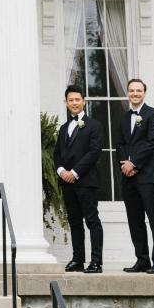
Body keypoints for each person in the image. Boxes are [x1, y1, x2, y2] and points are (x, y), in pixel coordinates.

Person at [117, 78, 154, 274]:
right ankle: (142, 259)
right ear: (128, 93)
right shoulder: (123, 117)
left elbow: (152, 142)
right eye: (132, 90)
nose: (135, 94)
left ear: (144, 93)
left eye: (139, 90)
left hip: (147, 176)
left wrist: (134, 163)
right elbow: (119, 144)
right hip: (127, 177)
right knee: (135, 220)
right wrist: (124, 165)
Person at [53, 85, 103, 273]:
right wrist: (61, 171)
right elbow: (57, 153)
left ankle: (96, 261)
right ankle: (78, 259)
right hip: (67, 182)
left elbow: (94, 152)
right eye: (70, 100)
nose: (74, 103)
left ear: (84, 101)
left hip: (86, 181)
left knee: (92, 220)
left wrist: (74, 172)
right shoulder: (64, 127)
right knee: (74, 221)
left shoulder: (94, 125)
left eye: (77, 99)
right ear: (66, 103)